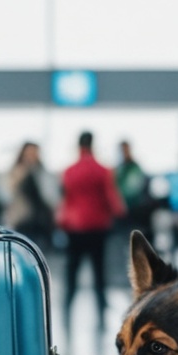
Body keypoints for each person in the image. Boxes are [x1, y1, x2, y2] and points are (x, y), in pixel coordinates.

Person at [57, 131, 127, 332]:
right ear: (93, 144)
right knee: (99, 272)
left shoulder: (69, 171)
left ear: (78, 145)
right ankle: (101, 312)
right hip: (98, 226)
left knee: (72, 271)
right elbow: (112, 200)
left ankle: (66, 310)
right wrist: (120, 213)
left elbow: (65, 199)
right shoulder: (103, 170)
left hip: (74, 228)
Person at [4, 142, 56, 251]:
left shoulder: (41, 171)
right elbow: (10, 191)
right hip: (22, 219)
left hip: (40, 219)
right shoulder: (18, 170)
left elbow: (48, 193)